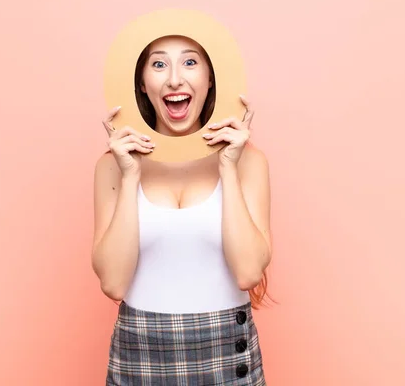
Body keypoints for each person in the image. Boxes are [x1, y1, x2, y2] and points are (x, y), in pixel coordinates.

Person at [92, 34, 272, 385]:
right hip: (139, 356)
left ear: (210, 79)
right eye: (159, 64)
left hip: (225, 357)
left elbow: (249, 273)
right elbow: (113, 284)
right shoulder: (112, 166)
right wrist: (130, 176)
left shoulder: (249, 162)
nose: (174, 78)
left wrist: (227, 167)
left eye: (190, 62)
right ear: (142, 84)